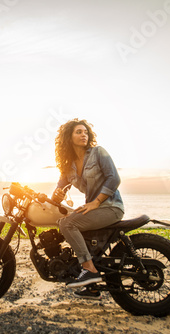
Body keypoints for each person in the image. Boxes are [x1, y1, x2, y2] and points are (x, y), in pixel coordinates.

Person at [52, 118, 124, 299]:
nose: (83, 135)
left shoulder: (99, 152)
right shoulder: (68, 167)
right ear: (68, 137)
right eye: (78, 132)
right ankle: (92, 288)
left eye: (85, 132)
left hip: (110, 207)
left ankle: (89, 270)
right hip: (94, 210)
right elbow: (58, 189)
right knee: (67, 221)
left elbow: (114, 179)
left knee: (68, 224)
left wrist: (96, 202)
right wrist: (57, 195)